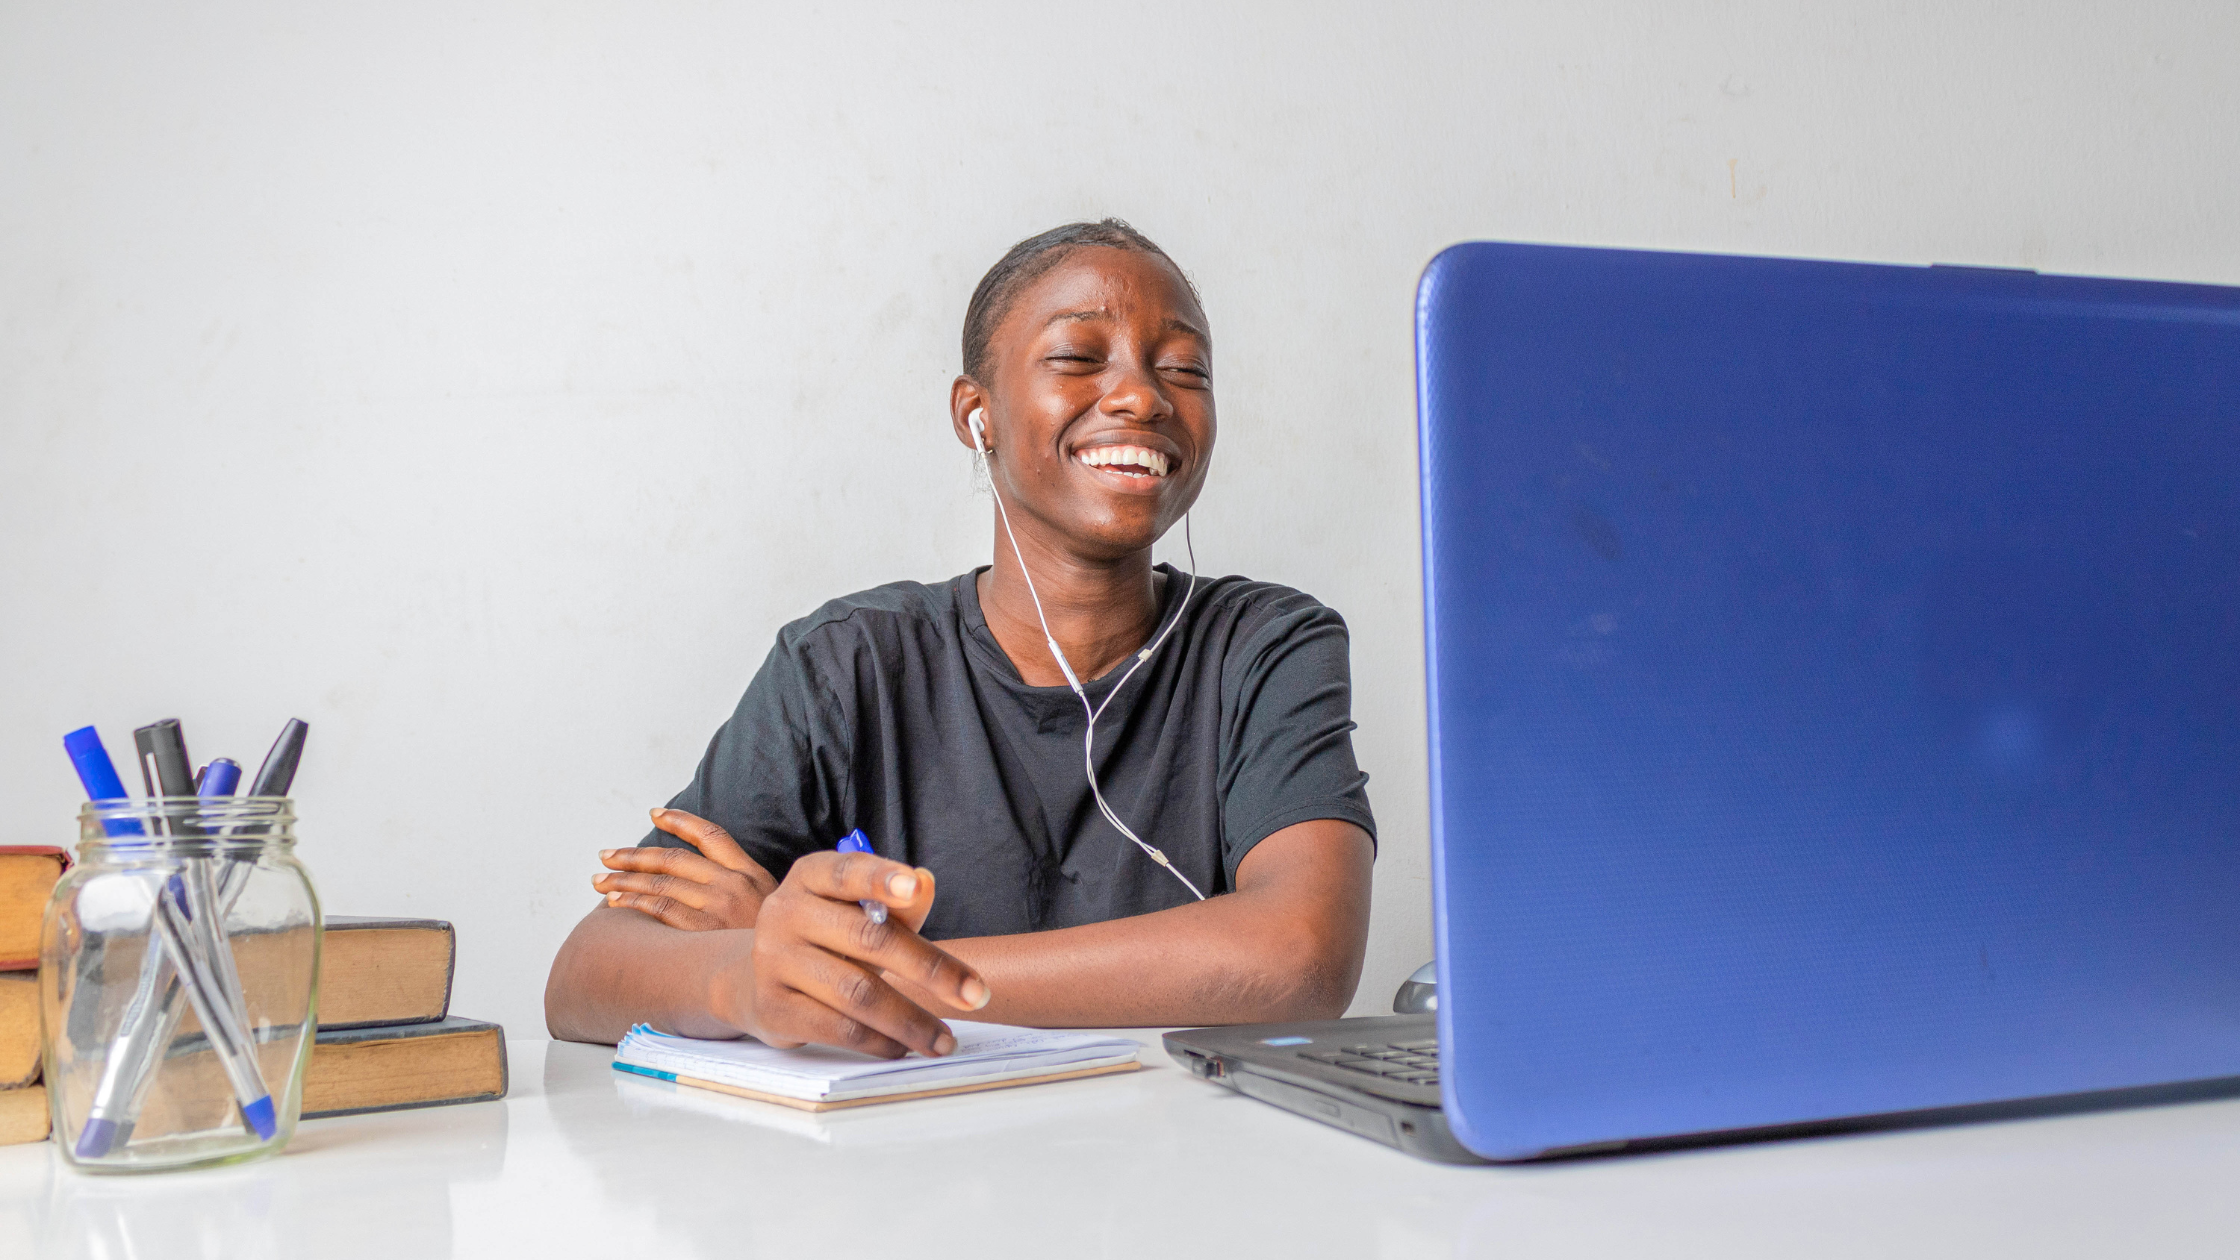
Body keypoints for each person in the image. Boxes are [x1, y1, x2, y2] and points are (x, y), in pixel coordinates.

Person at [544, 220, 1377, 1058]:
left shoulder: (1268, 648)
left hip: (1190, 1172)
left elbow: (1299, 959)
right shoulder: (847, 665)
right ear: (975, 414)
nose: (1142, 396)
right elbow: (584, 976)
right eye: (1079, 357)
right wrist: (754, 972)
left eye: (1184, 369)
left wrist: (854, 968)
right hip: (904, 1177)